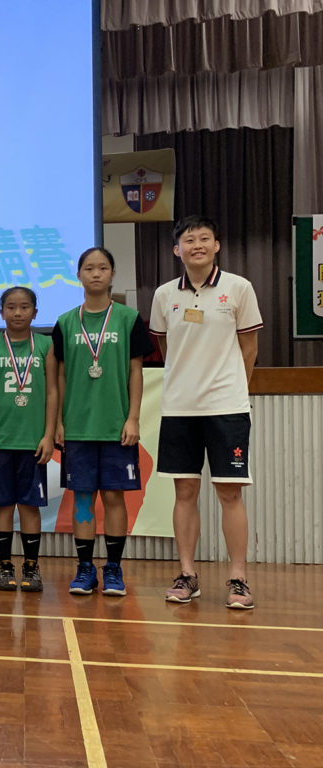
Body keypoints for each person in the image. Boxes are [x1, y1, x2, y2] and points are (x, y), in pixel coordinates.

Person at [150, 215, 263, 609]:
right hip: (179, 408)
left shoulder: (239, 288)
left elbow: (249, 348)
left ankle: (238, 579)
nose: (196, 245)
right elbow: (167, 349)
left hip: (227, 408)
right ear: (176, 249)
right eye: (188, 239)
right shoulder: (164, 295)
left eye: (204, 238)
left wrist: (233, 389)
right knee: (184, 491)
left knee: (229, 492)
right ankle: (187, 574)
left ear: (217, 245)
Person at [53, 247, 154, 597]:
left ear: (112, 274)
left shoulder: (128, 318)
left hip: (116, 427)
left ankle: (113, 568)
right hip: (78, 427)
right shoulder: (66, 322)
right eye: (89, 268)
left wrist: (133, 418)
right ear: (78, 275)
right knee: (83, 498)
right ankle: (85, 568)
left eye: (103, 268)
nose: (96, 273)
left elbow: (136, 371)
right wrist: (59, 422)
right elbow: (60, 376)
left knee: (114, 497)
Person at [0, 287, 57, 591]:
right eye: (11, 307)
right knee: (3, 506)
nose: (18, 312)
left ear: (35, 312)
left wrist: (49, 434)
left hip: (32, 442)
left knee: (30, 507)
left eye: (24, 307)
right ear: (1, 312)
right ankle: (4, 565)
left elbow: (52, 391)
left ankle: (31, 567)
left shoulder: (45, 345)